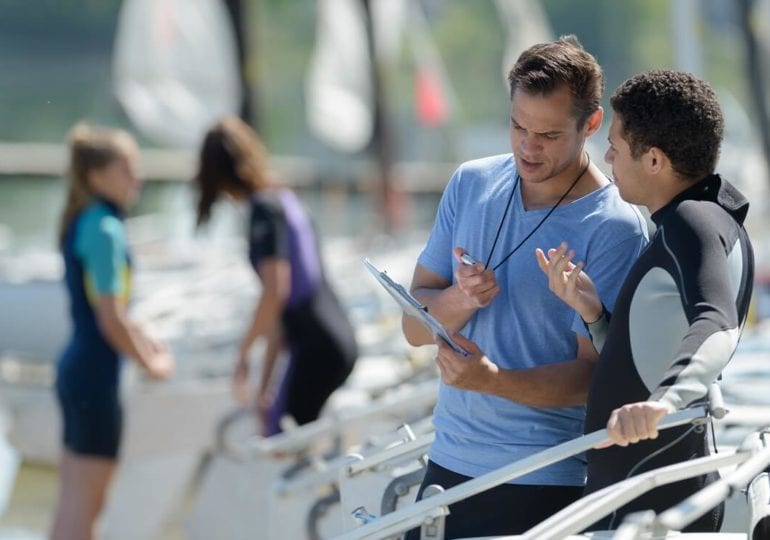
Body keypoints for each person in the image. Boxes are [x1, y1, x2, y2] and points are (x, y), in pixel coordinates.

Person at [402, 35, 649, 538]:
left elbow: (593, 379)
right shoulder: (470, 183)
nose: (527, 148)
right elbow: (413, 326)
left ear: (592, 124)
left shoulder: (616, 228)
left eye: (549, 135)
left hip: (543, 480)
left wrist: (491, 380)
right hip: (447, 463)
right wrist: (457, 299)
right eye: (518, 126)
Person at [536, 70, 754, 532]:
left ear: (653, 160)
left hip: (648, 506)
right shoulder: (707, 219)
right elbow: (650, 352)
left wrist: (665, 403)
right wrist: (593, 312)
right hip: (644, 492)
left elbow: (717, 323)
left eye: (615, 144)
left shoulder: (692, 224)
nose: (608, 155)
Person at [193, 116, 358, 436]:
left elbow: (275, 292)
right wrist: (266, 388)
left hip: (317, 347)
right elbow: (281, 315)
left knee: (282, 441)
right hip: (334, 339)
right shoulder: (284, 199)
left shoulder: (263, 212)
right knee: (284, 435)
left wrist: (242, 352)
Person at [51, 124, 174, 540]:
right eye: (127, 169)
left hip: (77, 369)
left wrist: (142, 337)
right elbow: (110, 318)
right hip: (94, 376)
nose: (137, 178)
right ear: (96, 176)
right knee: (87, 509)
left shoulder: (87, 220)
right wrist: (153, 363)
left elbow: (111, 311)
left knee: (72, 504)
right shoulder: (105, 229)